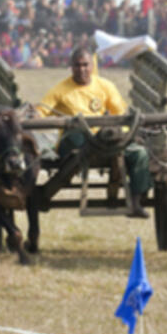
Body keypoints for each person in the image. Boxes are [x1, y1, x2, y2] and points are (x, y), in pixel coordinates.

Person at [35, 46, 151, 218]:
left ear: (92, 66)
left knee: (140, 154)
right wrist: (31, 114)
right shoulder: (59, 90)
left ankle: (135, 203)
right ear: (71, 67)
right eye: (77, 65)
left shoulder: (106, 86)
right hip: (76, 143)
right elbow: (40, 112)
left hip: (107, 141)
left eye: (85, 65)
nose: (82, 69)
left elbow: (121, 115)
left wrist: (125, 134)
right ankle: (44, 195)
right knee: (76, 137)